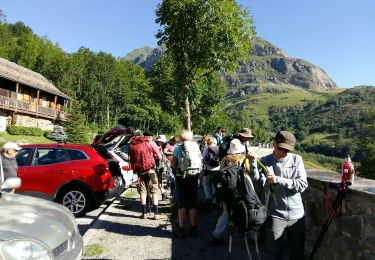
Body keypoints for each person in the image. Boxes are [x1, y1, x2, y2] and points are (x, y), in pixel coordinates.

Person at [255, 131, 308, 260]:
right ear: (274, 144)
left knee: (297, 253)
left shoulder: (297, 159)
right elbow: (258, 185)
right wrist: (253, 167)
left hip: (297, 215)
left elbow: (302, 184)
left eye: (287, 151)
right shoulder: (264, 161)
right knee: (275, 253)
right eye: (281, 149)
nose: (283, 153)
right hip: (275, 215)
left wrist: (279, 180)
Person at [208, 138, 257, 245]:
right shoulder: (243, 158)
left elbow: (221, 172)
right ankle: (253, 236)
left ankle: (216, 235)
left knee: (226, 213)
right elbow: (248, 172)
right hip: (240, 191)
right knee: (247, 211)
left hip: (227, 192)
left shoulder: (226, 158)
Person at [171, 130, 201, 238]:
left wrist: (180, 169)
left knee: (182, 203)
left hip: (181, 177)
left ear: (181, 137)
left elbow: (173, 164)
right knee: (193, 203)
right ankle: (193, 228)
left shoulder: (178, 148)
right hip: (194, 176)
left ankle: (181, 229)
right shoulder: (196, 147)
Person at [128, 131, 163, 220]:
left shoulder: (135, 143)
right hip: (150, 169)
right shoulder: (151, 143)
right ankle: (156, 214)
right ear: (150, 136)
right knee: (154, 190)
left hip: (140, 171)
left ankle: (144, 214)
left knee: (142, 191)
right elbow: (160, 157)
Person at [201, 136, 220, 208]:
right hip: (217, 169)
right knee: (214, 185)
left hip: (208, 169)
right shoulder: (219, 148)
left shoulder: (207, 148)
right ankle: (215, 201)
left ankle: (208, 199)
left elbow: (203, 158)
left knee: (206, 184)